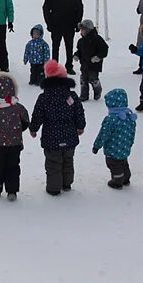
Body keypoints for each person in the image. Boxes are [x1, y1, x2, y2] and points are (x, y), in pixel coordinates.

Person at [29, 60, 85, 196]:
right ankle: (67, 184)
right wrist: (80, 126)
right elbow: (79, 112)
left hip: (51, 138)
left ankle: (54, 188)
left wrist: (33, 128)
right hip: (69, 136)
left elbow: (38, 115)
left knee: (53, 163)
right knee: (68, 161)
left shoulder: (44, 97)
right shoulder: (71, 96)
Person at [0, 73, 30, 201]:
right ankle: (12, 190)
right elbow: (26, 121)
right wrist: (17, 131)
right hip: (15, 144)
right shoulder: (18, 108)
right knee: (13, 167)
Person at [92, 89, 136, 190]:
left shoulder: (111, 119)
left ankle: (117, 181)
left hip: (112, 149)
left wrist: (96, 146)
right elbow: (132, 132)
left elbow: (103, 134)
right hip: (125, 146)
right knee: (123, 162)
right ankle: (126, 178)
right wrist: (130, 143)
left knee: (114, 164)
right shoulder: (130, 117)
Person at [42, 0, 83, 75]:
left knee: (69, 47)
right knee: (55, 47)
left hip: (70, 26)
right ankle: (54, 67)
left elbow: (79, 8)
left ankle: (69, 66)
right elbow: (46, 8)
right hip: (56, 26)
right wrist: (49, 24)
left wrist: (78, 23)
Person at [74, 19, 109, 101]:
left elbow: (104, 49)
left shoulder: (97, 39)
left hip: (94, 65)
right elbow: (79, 51)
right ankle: (84, 96)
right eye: (81, 29)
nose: (81, 31)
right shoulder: (81, 41)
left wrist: (98, 57)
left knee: (93, 79)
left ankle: (97, 91)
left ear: (88, 30)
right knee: (83, 80)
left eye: (83, 29)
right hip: (84, 64)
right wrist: (76, 55)